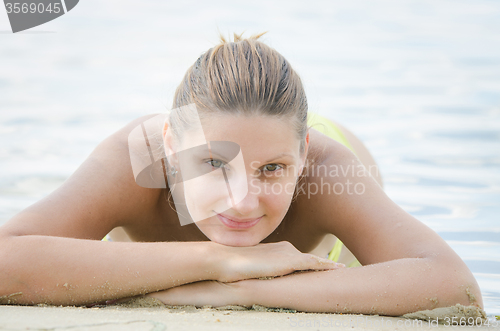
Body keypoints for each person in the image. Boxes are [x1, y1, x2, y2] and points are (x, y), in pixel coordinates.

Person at [0, 32, 483, 315]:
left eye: (272, 170)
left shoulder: (323, 171)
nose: (243, 202)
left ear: (303, 152)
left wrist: (250, 290)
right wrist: (217, 262)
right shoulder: (138, 156)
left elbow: (453, 286)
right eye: (212, 163)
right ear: (172, 145)